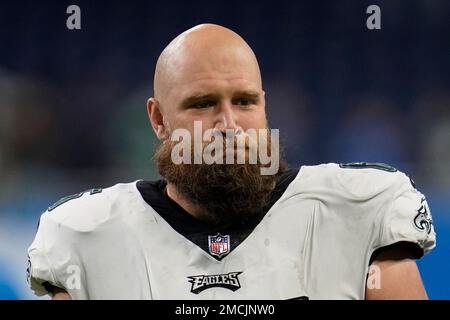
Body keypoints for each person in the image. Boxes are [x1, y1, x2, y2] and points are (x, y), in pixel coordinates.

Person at [27, 24, 436, 300]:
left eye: (244, 101)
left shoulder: (361, 213)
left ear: (264, 106)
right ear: (158, 119)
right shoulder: (85, 236)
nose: (228, 124)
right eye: (202, 104)